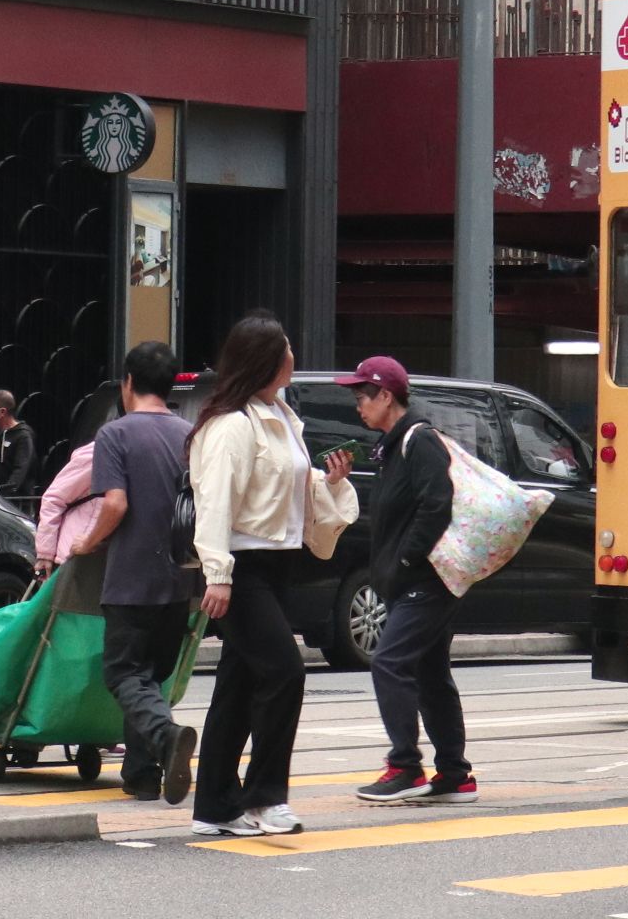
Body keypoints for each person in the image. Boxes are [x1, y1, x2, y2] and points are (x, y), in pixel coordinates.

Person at [184, 312, 357, 838]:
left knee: (238, 686)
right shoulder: (231, 425)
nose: (293, 356)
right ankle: (263, 798)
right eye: (285, 348)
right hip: (241, 568)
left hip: (276, 563)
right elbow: (214, 501)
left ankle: (215, 806)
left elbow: (287, 491)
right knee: (285, 671)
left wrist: (328, 483)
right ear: (265, 358)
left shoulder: (279, 415)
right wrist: (217, 573)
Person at [70, 341, 198, 806]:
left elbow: (115, 504)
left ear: (128, 382)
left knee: (123, 673)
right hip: (180, 579)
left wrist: (88, 541)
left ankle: (167, 739)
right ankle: (141, 776)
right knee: (151, 677)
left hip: (131, 577)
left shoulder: (116, 434)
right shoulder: (189, 434)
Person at [346, 357, 469, 807]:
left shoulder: (419, 442)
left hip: (425, 582)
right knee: (430, 673)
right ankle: (455, 776)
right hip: (414, 582)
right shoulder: (394, 445)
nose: (357, 405)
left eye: (362, 397)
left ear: (386, 396)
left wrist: (403, 561)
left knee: (389, 663)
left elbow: (437, 506)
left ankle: (405, 766)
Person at [32, 439, 103, 576]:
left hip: (100, 555)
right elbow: (54, 499)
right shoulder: (98, 454)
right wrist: (45, 554)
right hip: (75, 555)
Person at [0, 390, 39, 498]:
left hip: (13, 502)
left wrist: (6, 495)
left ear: (2, 411)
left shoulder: (23, 436)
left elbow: (20, 471)